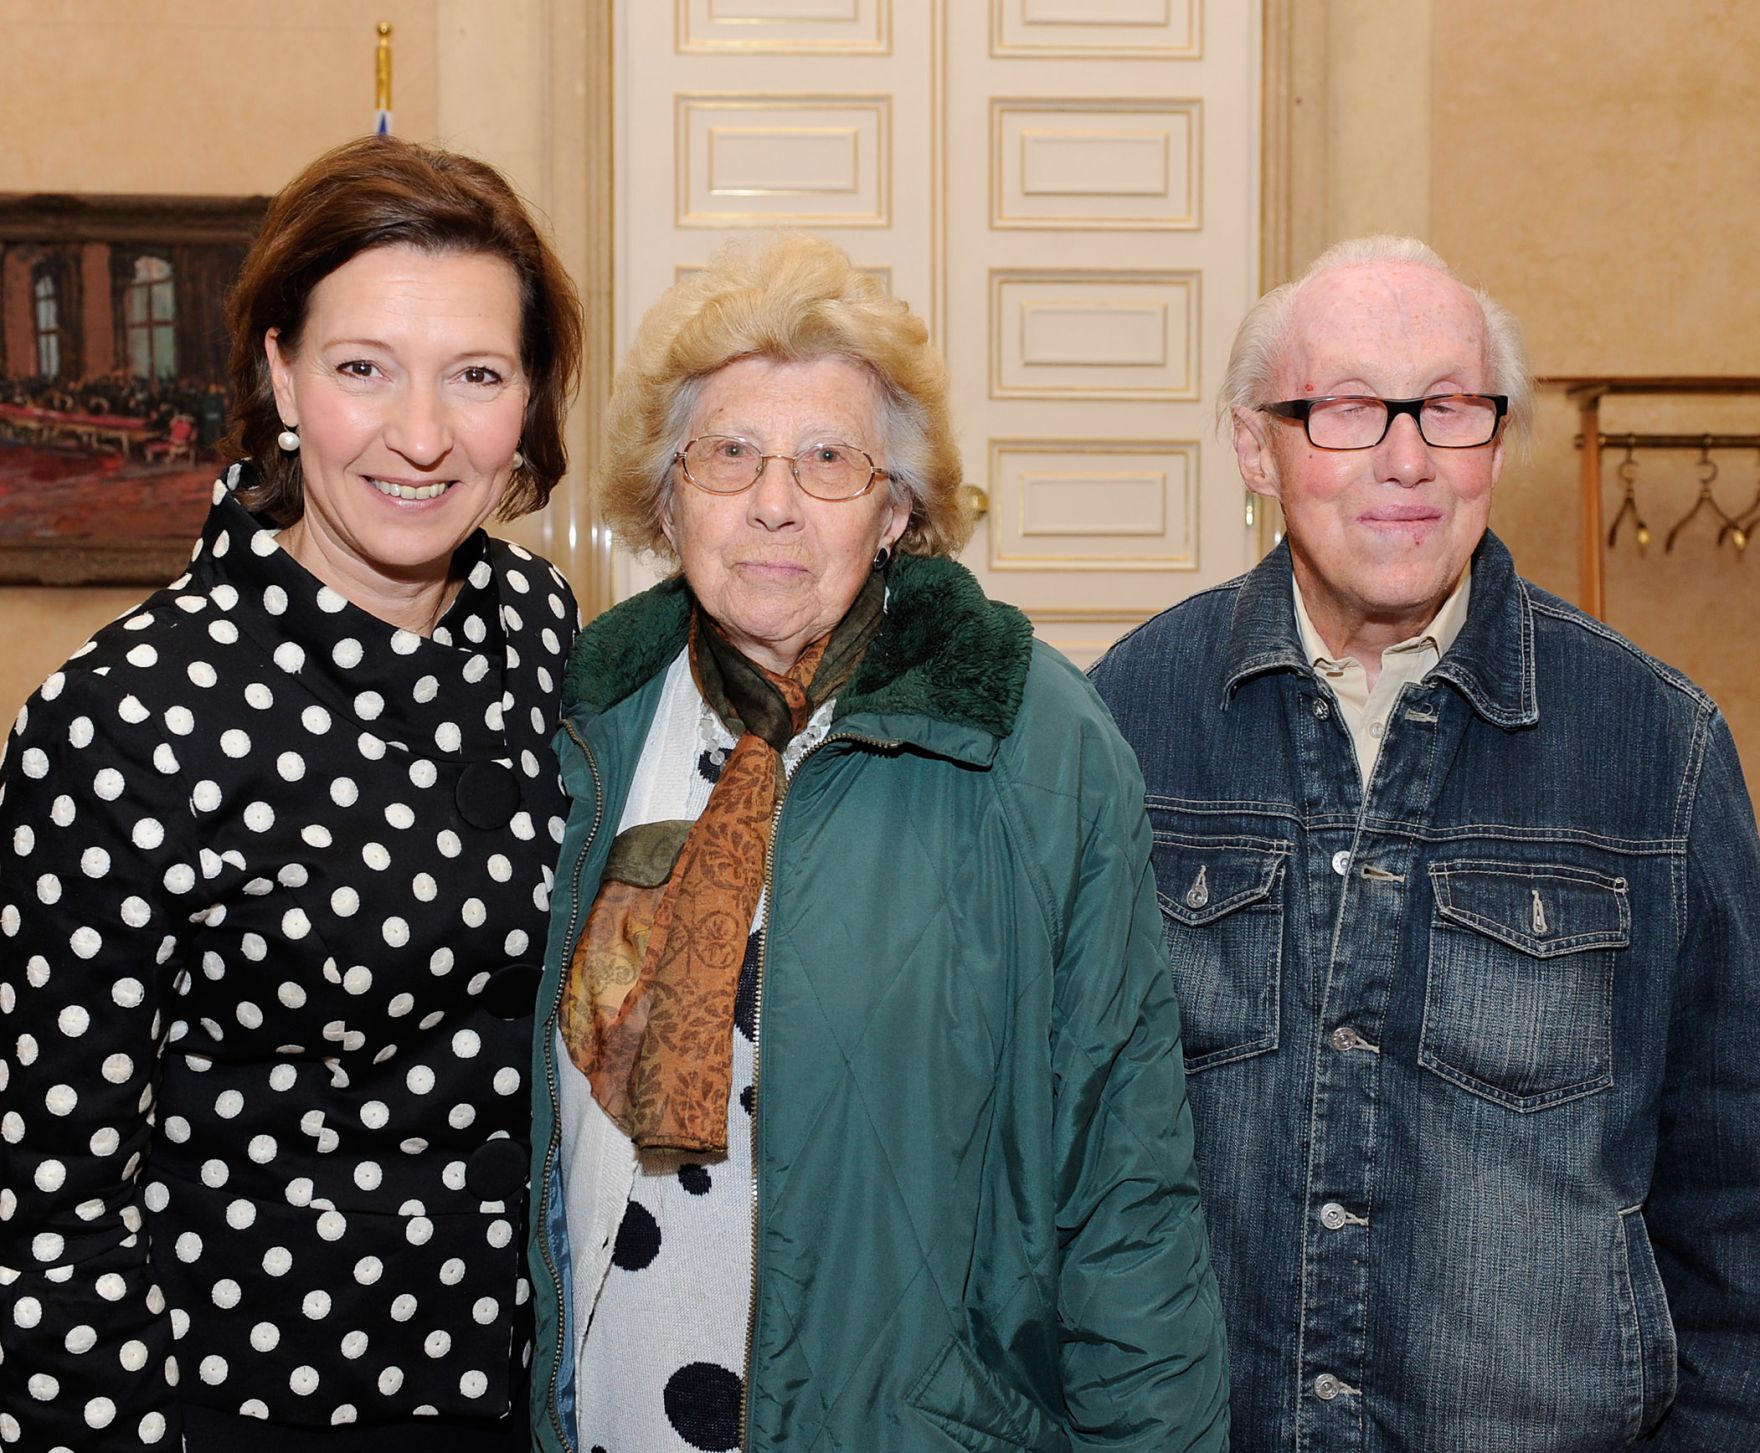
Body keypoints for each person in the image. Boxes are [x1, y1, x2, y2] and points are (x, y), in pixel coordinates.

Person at [525, 234, 1229, 1452]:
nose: (772, 501)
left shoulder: (1030, 740)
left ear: (896, 508)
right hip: (612, 1406)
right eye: (728, 452)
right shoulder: (586, 717)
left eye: (828, 460)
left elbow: (1125, 1176)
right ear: (666, 491)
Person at [1090, 235, 1760, 1450]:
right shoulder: (1122, 725)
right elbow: (1057, 1168)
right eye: (1346, 408)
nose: (1405, 458)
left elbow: (1733, 1207)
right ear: (1255, 444)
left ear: (1495, 443)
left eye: (1448, 409)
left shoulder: (1661, 752)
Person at [0, 135, 584, 1450]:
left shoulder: (539, 627)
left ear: (531, 396)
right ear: (280, 373)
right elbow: (41, 1203)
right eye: (363, 368)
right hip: (248, 1401)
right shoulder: (122, 721)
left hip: (528, 1390)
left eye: (476, 375)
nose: (421, 435)